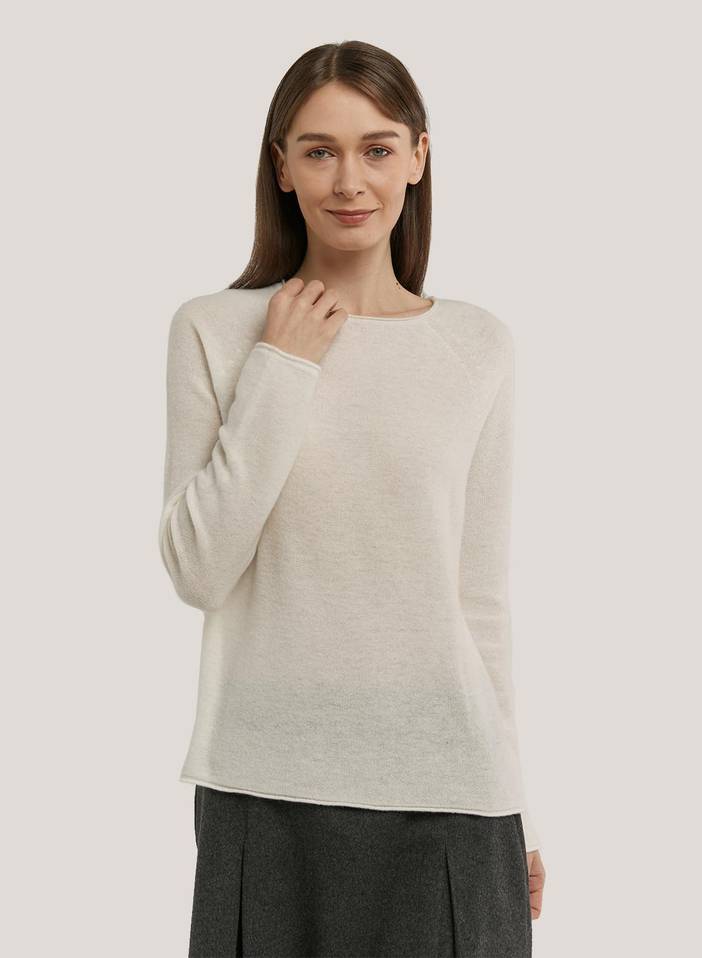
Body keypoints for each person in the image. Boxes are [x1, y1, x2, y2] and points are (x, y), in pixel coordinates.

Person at [158, 39, 546, 958]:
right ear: (281, 167)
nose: (349, 181)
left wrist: (515, 800)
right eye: (319, 150)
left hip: (451, 794)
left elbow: (478, 601)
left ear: (417, 156)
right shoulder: (216, 331)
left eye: (376, 148)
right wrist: (283, 365)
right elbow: (199, 569)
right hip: (263, 784)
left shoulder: (477, 346)